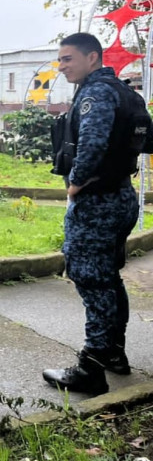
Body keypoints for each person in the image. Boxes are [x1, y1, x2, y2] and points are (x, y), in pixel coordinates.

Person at [43, 32, 153, 395]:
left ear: (93, 58)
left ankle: (91, 367)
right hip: (120, 195)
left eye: (68, 58)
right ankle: (114, 355)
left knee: (90, 277)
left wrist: (76, 184)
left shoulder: (96, 93)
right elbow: (146, 139)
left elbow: (91, 143)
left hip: (98, 201)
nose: (62, 66)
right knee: (107, 277)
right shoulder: (125, 92)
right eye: (60, 59)